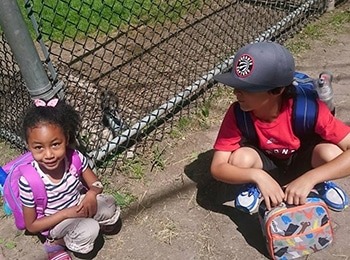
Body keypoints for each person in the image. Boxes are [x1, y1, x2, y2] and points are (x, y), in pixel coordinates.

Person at [211, 41, 350, 214]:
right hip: (266, 165)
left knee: (331, 153)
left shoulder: (307, 109)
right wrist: (258, 176)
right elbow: (217, 167)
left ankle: (320, 183)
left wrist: (311, 178)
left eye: (247, 88)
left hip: (303, 162)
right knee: (240, 158)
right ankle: (255, 186)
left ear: (277, 91)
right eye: (236, 86)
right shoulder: (238, 113)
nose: (236, 93)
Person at [19, 98, 120, 259]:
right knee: (89, 229)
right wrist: (66, 214)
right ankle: (56, 243)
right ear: (28, 145)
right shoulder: (29, 181)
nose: (49, 154)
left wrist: (92, 193)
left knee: (108, 204)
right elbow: (31, 225)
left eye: (55, 144)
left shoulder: (74, 158)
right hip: (56, 221)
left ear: (65, 138)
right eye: (39, 147)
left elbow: (96, 183)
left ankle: (85, 226)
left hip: (79, 205)